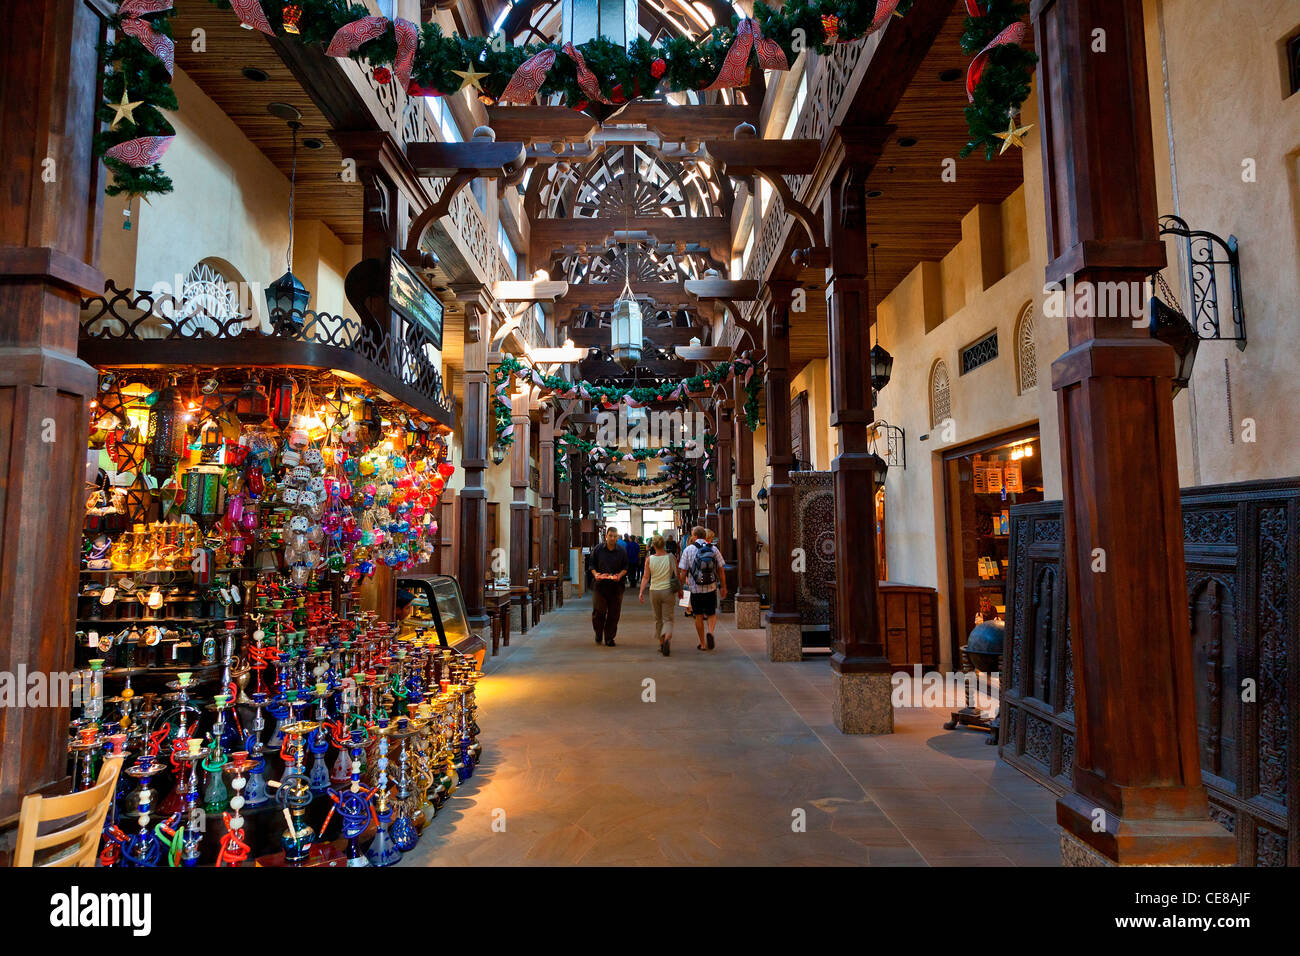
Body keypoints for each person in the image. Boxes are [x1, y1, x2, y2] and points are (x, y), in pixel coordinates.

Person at [678, 525, 726, 650]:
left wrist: (680, 589)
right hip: (711, 587)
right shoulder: (713, 549)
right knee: (711, 613)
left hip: (695, 589)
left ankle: (703, 643)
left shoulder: (688, 550)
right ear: (705, 536)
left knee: (698, 615)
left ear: (694, 536)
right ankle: (710, 632)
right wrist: (723, 586)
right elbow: (721, 569)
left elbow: (683, 572)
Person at [587, 526, 629, 646]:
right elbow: (591, 565)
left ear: (618, 537)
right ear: (606, 536)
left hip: (616, 587)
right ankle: (598, 632)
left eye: (615, 536)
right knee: (599, 611)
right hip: (600, 586)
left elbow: (626, 567)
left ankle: (610, 637)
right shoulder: (598, 549)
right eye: (610, 536)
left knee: (614, 613)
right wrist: (596, 575)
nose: (612, 538)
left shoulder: (621, 551)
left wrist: (619, 575)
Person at [639, 534, 677, 656]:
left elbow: (645, 577)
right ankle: (667, 637)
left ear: (653, 546)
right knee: (668, 619)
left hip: (654, 591)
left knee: (658, 619)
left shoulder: (649, 559)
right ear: (664, 544)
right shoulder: (671, 557)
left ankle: (661, 644)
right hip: (668, 591)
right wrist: (680, 590)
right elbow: (676, 575)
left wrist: (641, 592)